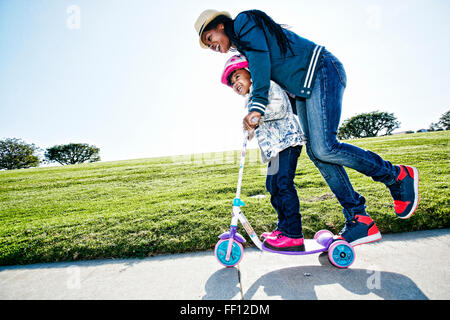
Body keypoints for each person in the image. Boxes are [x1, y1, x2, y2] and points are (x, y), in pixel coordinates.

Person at [194, 9, 419, 248]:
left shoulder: (243, 22)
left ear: (220, 26)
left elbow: (261, 64)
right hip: (303, 89)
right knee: (318, 152)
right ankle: (359, 218)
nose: (212, 47)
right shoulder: (242, 44)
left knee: (324, 147)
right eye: (208, 46)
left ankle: (397, 176)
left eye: (210, 39)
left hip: (320, 70)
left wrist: (257, 106)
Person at [221, 54, 307, 251]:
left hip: (287, 142)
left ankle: (294, 234)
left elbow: (280, 107)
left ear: (251, 74)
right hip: (274, 150)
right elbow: (257, 125)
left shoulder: (266, 85)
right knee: (272, 185)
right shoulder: (250, 101)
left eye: (238, 77)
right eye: (232, 83)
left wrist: (256, 116)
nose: (235, 83)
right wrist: (250, 131)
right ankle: (283, 228)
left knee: (284, 184)